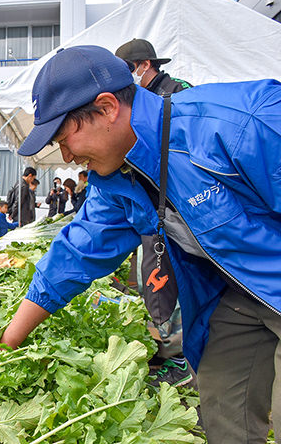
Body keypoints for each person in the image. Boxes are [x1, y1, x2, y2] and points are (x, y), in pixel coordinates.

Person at [0, 45, 281, 444]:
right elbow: (75, 255)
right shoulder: (117, 180)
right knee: (222, 411)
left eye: (65, 138)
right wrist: (8, 342)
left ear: (108, 107)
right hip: (236, 294)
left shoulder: (240, 123)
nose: (66, 156)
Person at [117, 38, 194, 387]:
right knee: (156, 285)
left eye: (130, 70)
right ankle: (169, 354)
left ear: (145, 65)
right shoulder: (136, 102)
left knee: (177, 285)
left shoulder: (177, 94)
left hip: (183, 211)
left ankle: (181, 360)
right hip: (154, 214)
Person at [115, 38, 192, 96]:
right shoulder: (135, 94)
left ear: (145, 65)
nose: (124, 74)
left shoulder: (178, 89)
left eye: (129, 67)